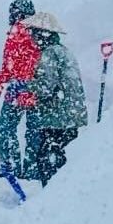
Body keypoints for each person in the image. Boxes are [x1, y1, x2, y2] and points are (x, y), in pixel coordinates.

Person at [24, 11, 87, 185]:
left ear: (42, 34)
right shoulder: (63, 51)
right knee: (67, 162)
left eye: (33, 32)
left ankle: (51, 195)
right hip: (71, 117)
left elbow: (45, 87)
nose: (31, 37)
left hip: (57, 118)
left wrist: (28, 85)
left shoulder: (49, 54)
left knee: (48, 162)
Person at [0, 0, 39, 178]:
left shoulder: (20, 34)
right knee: (33, 132)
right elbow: (9, 66)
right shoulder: (37, 33)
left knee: (6, 128)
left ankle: (11, 166)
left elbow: (9, 66)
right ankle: (32, 169)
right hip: (32, 88)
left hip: (22, 89)